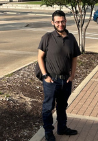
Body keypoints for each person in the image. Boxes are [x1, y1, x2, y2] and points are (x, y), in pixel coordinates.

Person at [37, 10, 81, 141]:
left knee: (62, 106)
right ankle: (49, 132)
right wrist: (45, 76)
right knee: (48, 107)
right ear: (53, 23)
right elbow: (40, 57)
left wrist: (72, 75)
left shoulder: (71, 38)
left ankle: (62, 128)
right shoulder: (47, 37)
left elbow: (74, 58)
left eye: (62, 21)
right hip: (51, 80)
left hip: (65, 80)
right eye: (57, 22)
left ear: (66, 21)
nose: (60, 24)